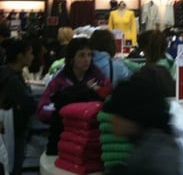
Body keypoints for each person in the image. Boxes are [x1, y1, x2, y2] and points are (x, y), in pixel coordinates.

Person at [37, 37, 112, 155]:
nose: (87, 59)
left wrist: (99, 91)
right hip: (65, 137)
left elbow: (110, 101)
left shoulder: (99, 78)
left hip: (92, 139)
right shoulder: (59, 81)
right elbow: (42, 110)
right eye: (81, 55)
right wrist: (63, 112)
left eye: (89, 55)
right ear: (72, 58)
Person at [102, 75, 182, 175]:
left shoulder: (157, 154)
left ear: (134, 117)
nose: (113, 120)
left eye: (118, 115)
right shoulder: (147, 144)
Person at [0, 38, 37, 175]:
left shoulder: (6, 73)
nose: (33, 56)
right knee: (13, 165)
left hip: (8, 128)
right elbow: (29, 104)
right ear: (20, 56)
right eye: (30, 53)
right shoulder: (13, 79)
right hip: (14, 129)